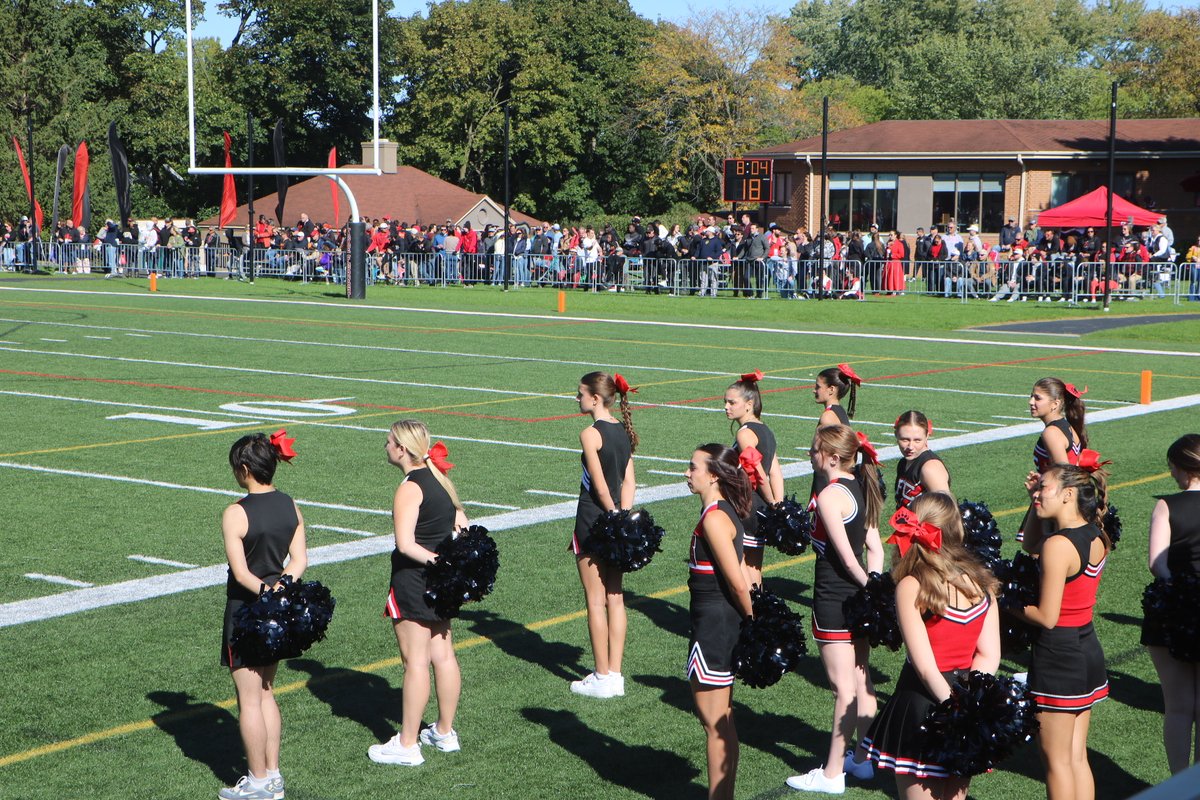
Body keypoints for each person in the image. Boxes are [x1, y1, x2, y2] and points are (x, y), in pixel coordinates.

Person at [860, 493, 1001, 800]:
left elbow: (924, 667)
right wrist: (970, 705)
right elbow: (989, 654)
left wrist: (955, 708)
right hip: (964, 699)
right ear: (957, 532)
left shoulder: (911, 585)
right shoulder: (983, 582)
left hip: (922, 704)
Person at [787, 424, 884, 794]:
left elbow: (846, 559)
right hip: (857, 603)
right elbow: (873, 549)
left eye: (814, 451)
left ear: (830, 457)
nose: (810, 455)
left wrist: (871, 588)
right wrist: (874, 590)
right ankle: (861, 760)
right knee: (862, 680)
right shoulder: (861, 486)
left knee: (843, 689)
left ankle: (831, 775)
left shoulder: (830, 495)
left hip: (834, 600)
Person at [370, 420, 469, 767]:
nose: (385, 446)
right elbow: (464, 527)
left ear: (402, 449)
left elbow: (405, 544)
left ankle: (408, 744)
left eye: (388, 442)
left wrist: (437, 561)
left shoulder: (411, 487)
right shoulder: (440, 480)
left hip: (415, 582)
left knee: (415, 662)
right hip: (442, 586)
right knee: (442, 655)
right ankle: (444, 731)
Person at [219, 432, 307, 800]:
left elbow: (241, 574)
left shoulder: (235, 512)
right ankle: (272, 774)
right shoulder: (291, 505)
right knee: (268, 692)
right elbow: (299, 561)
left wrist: (263, 594)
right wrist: (279, 590)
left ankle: (257, 781)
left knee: (249, 700)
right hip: (281, 610)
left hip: (247, 611)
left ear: (243, 470)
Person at [1017, 461, 1111, 800]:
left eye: (1044, 487)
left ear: (1068, 494)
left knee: (1056, 761)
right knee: (1075, 756)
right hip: (1086, 648)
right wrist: (1033, 502)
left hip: (1058, 655)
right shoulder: (1096, 533)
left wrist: (1001, 599)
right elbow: (1030, 545)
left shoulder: (1058, 545)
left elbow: (1046, 616)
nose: (1039, 491)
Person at [686, 443, 754, 800]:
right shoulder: (725, 510)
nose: (687, 472)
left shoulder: (714, 518)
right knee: (724, 721)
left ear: (713, 475)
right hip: (718, 624)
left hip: (714, 628)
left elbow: (737, 581)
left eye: (693, 467)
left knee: (715, 724)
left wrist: (753, 620)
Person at [570, 371, 638, 698]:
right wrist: (623, 518)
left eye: (581, 393)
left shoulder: (590, 433)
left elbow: (598, 484)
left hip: (593, 518)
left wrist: (610, 514)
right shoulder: (623, 432)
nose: (577, 398)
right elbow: (629, 482)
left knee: (595, 601)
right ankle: (616, 674)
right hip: (618, 519)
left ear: (595, 399)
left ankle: (601, 675)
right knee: (616, 596)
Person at [1143, 434, 1200, 774]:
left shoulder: (1167, 505)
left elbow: (1157, 563)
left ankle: (1180, 786)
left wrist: (1178, 591)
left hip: (1172, 610)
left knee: (1178, 706)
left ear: (1180, 468)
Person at [725, 370, 784, 587]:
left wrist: (772, 503)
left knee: (741, 570)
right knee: (754, 569)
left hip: (746, 506)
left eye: (732, 402)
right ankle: (759, 615)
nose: (726, 407)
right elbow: (776, 472)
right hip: (760, 509)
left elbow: (759, 473)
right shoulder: (766, 431)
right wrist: (777, 503)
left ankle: (749, 616)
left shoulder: (744, 433)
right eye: (725, 402)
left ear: (749, 403)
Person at [1020, 378, 1088, 545]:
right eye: (1031, 396)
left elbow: (1065, 474)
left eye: (1037, 398)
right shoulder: (1067, 426)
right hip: (1062, 499)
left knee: (1042, 552)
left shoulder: (1051, 433)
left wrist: (1045, 486)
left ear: (1055, 404)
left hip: (1056, 502)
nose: (1031, 402)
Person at [809, 364, 861, 502]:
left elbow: (822, 450)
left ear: (831, 389)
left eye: (818, 387)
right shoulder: (839, 411)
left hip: (827, 475)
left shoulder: (828, 417)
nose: (814, 390)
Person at [893, 410, 951, 509]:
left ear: (927, 436)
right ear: (896, 435)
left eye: (917, 440)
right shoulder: (903, 462)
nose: (910, 446)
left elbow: (947, 510)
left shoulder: (930, 467)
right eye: (905, 440)